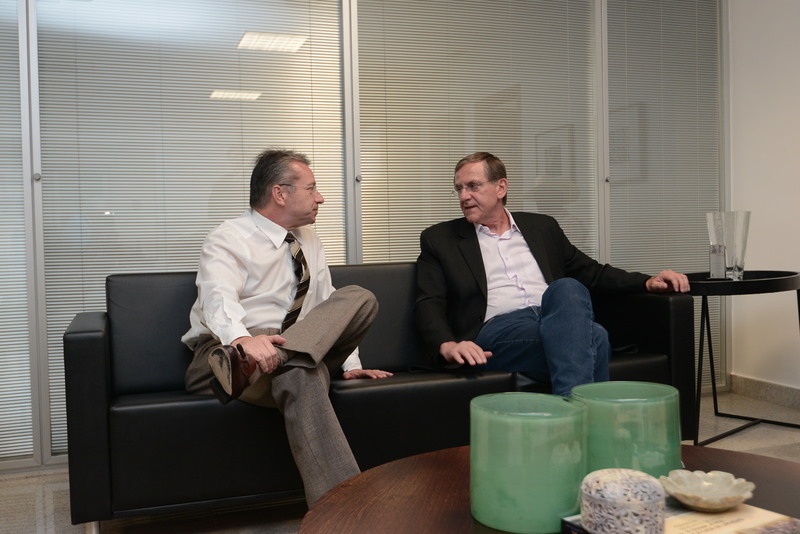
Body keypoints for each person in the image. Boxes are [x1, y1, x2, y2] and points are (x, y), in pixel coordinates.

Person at [182, 148, 392, 505]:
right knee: (301, 374)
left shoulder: (309, 240)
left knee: (360, 297)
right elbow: (217, 297)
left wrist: (350, 365)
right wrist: (243, 340)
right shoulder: (228, 237)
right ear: (280, 193)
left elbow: (327, 307)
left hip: (288, 350)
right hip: (229, 354)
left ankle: (282, 355)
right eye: (311, 188)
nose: (320, 197)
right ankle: (345, 513)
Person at [414, 151, 689, 397]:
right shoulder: (440, 239)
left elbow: (591, 273)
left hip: (555, 317)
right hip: (498, 329)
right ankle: (583, 411)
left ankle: (572, 410)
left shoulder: (542, 227)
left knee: (567, 288)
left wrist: (646, 282)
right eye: (459, 188)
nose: (464, 196)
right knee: (595, 337)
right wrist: (447, 345)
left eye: (473, 186)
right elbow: (429, 301)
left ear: (501, 187)